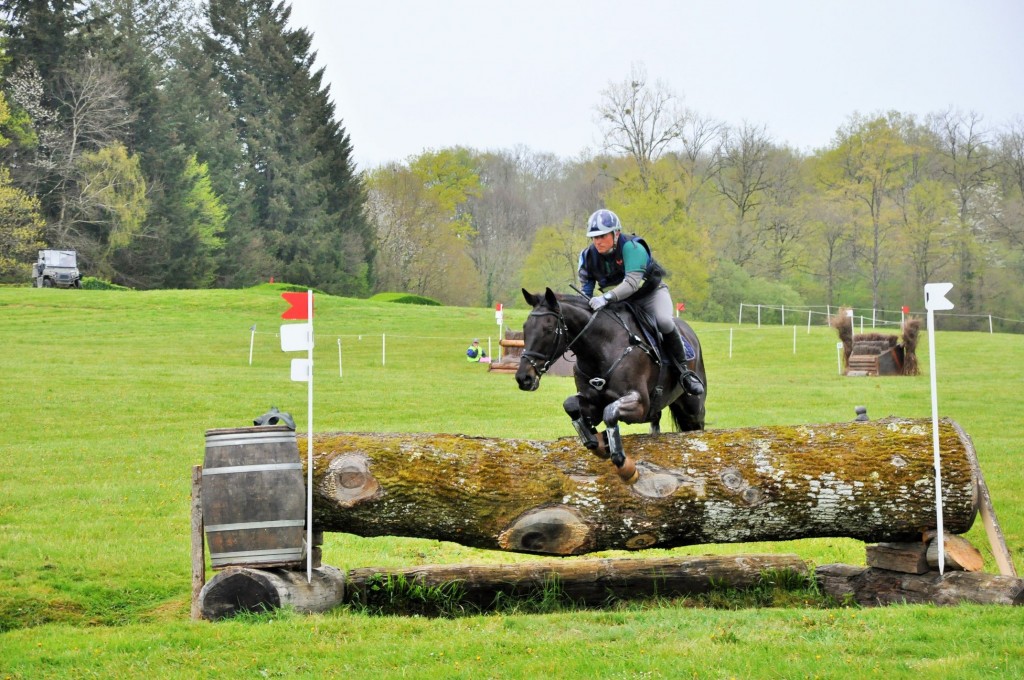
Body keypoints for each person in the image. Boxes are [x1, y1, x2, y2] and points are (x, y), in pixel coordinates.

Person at [578, 208, 704, 396]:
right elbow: (586, 293)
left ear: (616, 233)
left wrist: (604, 298)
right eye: (594, 237)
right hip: (618, 305)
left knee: (664, 321)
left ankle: (684, 372)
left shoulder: (632, 247)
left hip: (649, 295)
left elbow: (631, 283)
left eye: (603, 236)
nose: (598, 241)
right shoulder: (587, 256)